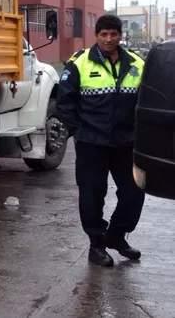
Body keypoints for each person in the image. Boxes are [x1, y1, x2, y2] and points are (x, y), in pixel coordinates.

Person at [56, 14, 146, 268]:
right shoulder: (79, 63)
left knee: (134, 192)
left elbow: (147, 102)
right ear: (96, 35)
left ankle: (116, 236)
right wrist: (79, 132)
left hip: (126, 144)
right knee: (92, 195)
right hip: (91, 144)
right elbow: (64, 103)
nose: (109, 39)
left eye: (113, 34)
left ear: (120, 35)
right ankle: (96, 245)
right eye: (103, 34)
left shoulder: (137, 64)